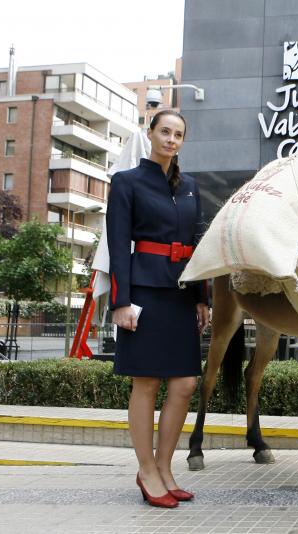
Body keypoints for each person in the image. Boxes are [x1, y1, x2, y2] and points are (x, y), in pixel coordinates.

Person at [107, 110, 209, 508]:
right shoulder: (127, 182)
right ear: (150, 134)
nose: (171, 139)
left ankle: (165, 468)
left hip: (181, 292)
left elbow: (197, 244)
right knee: (146, 382)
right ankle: (147, 470)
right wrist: (120, 302)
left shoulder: (191, 187)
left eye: (178, 134)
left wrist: (202, 297)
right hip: (144, 293)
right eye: (164, 131)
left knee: (185, 384)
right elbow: (118, 245)